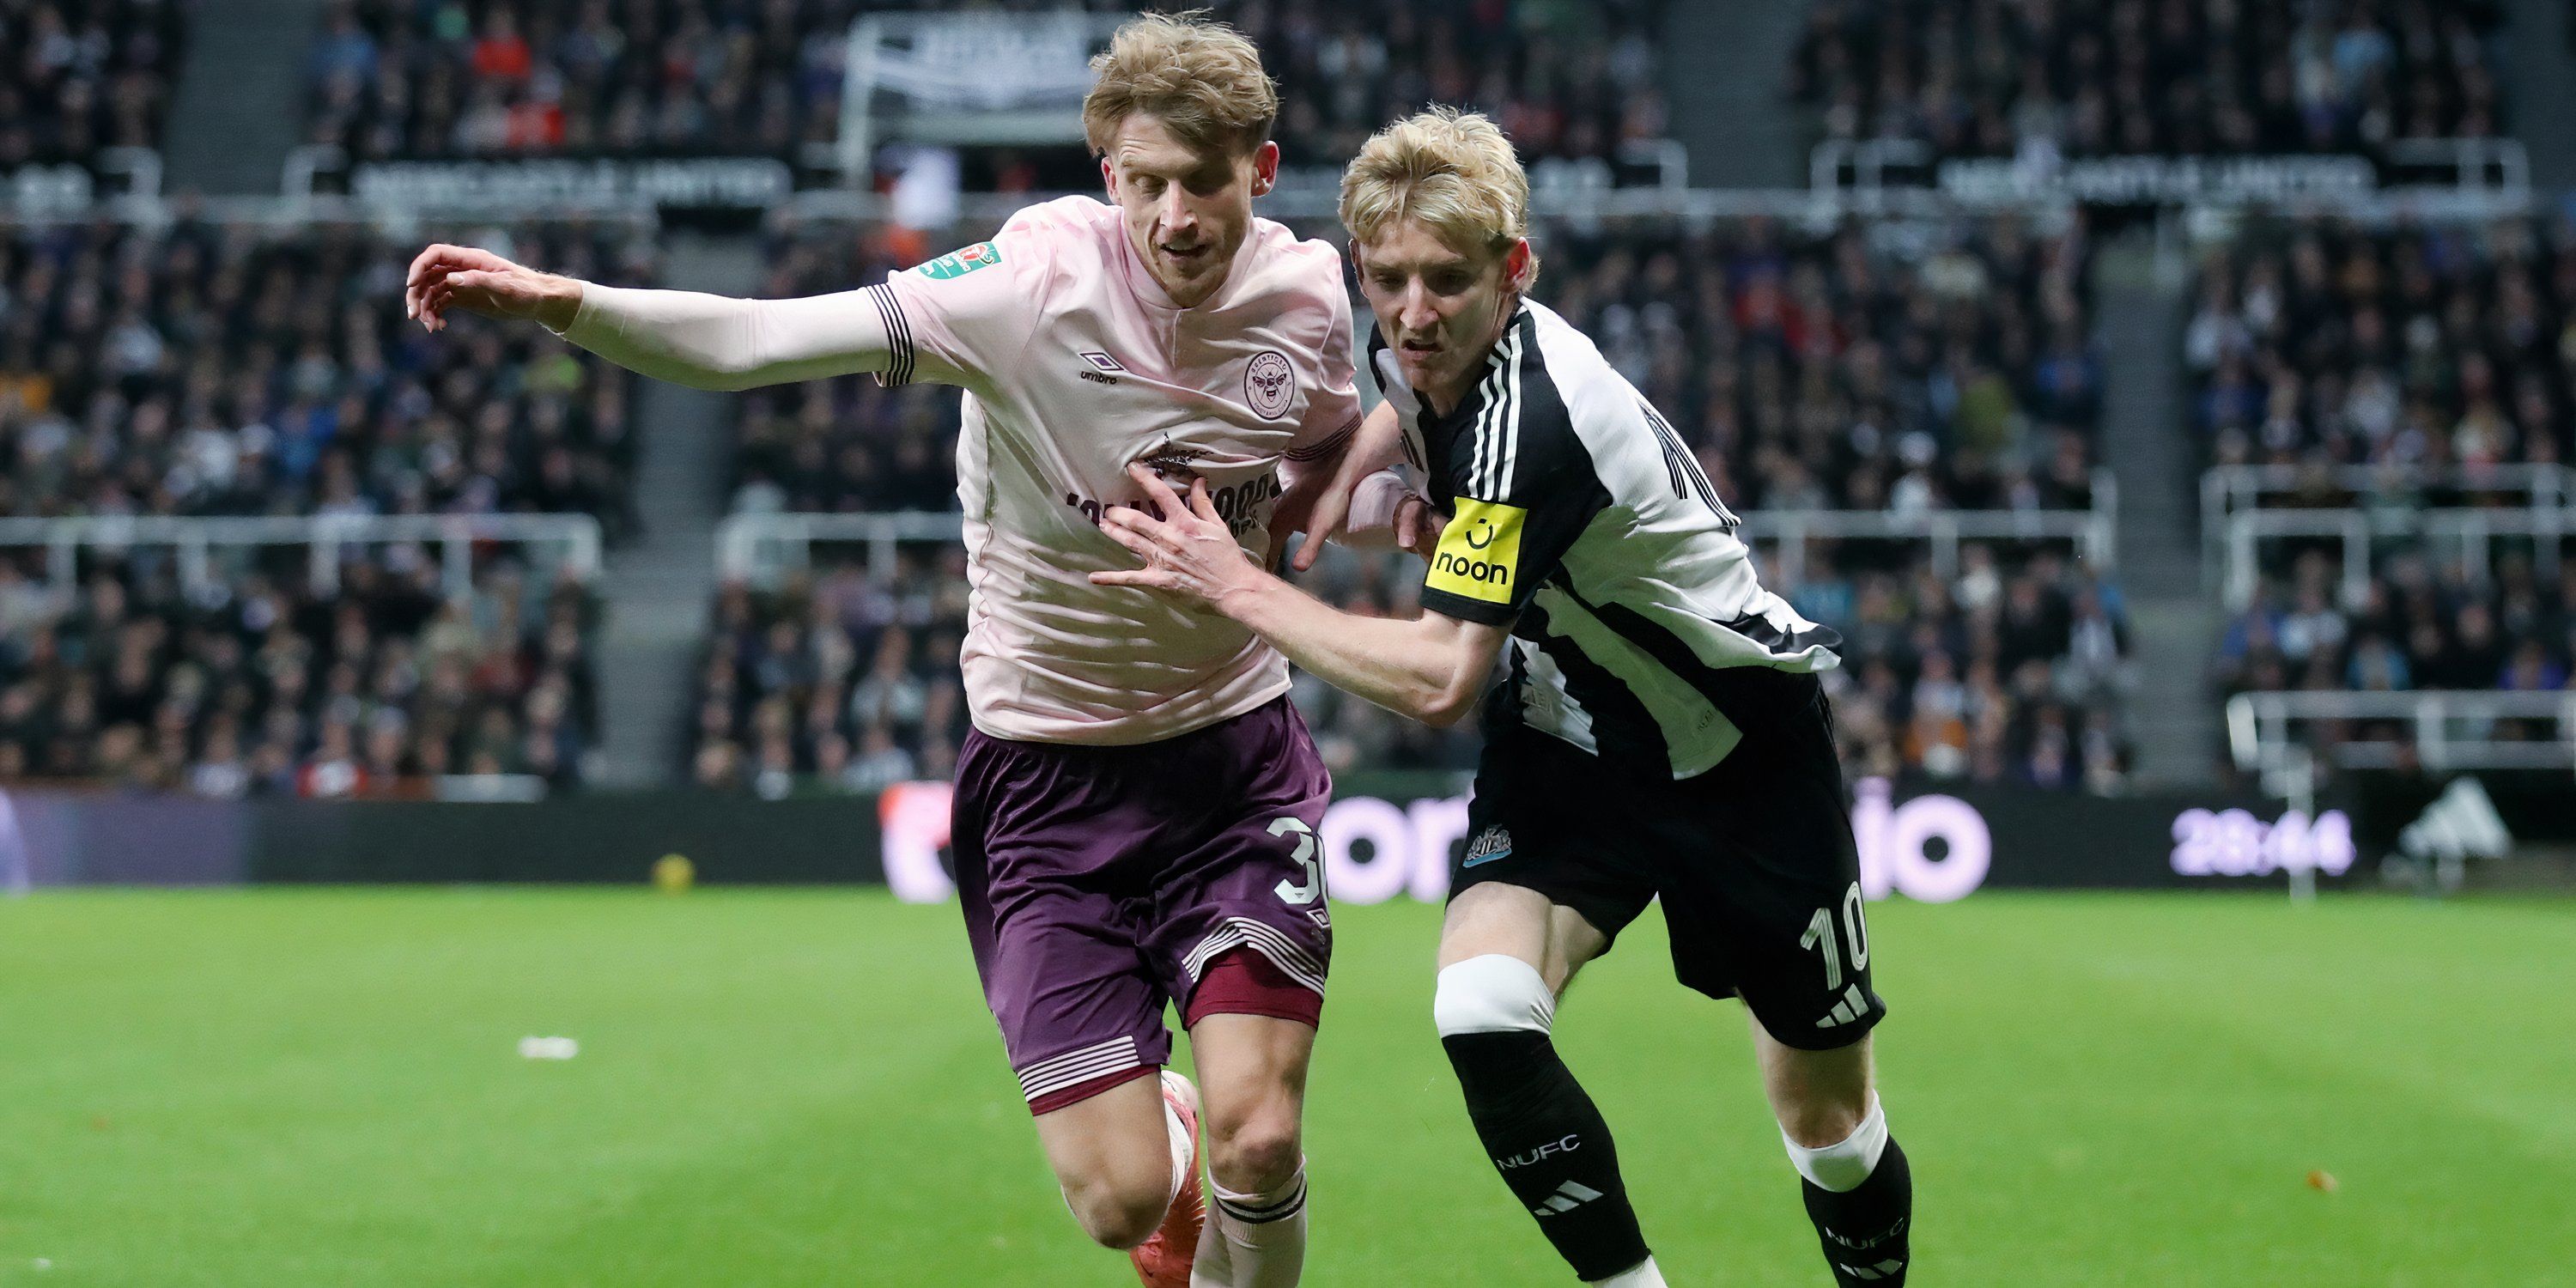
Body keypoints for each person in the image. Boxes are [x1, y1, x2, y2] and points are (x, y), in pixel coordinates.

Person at [404, 15, 1368, 1286]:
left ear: (1263, 168)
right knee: (1122, 1200)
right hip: (1048, 778)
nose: (1179, 216)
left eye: (1207, 183)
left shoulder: (1306, 295)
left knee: (1266, 1129)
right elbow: (759, 340)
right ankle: (1165, 1138)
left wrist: (1320, 498)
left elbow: (1337, 434)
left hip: (1231, 755)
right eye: (1149, 183)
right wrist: (562, 304)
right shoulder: (1023, 291)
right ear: (1106, 175)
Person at [1091, 109, 1915, 1287]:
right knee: (1482, 1009)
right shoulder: (1412, 343)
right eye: (1389, 280)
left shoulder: (1539, 419)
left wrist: (1236, 582)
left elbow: (1437, 678)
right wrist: (1353, 467)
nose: (1413, 314)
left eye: (1447, 282)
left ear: (1514, 270)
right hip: (1569, 731)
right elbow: (1403, 390)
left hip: (1738, 751)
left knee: (1828, 1125)